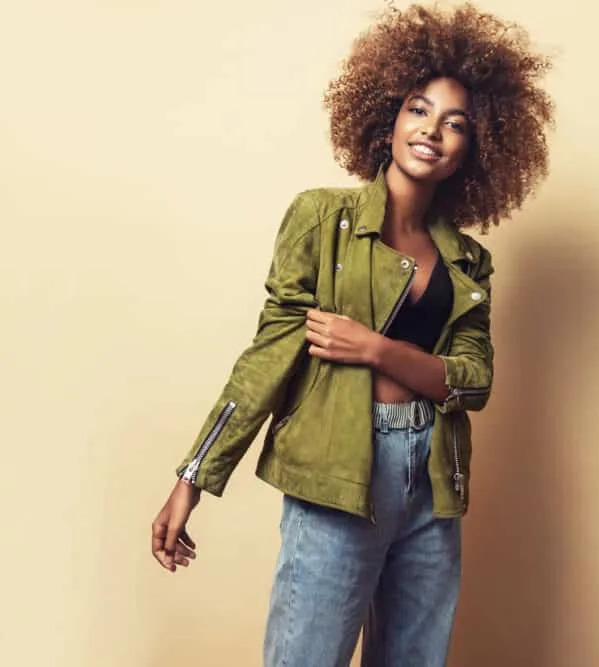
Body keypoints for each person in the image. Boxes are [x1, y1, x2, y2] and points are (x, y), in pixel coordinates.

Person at [150, 3, 553, 666]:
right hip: (338, 473)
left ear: (472, 151)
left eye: (456, 123)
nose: (433, 131)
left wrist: (376, 348)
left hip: (433, 480)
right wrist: (193, 476)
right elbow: (266, 360)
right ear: (387, 117)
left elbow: (473, 382)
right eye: (419, 109)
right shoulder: (321, 219)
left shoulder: (468, 262)